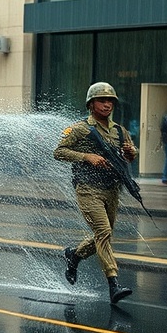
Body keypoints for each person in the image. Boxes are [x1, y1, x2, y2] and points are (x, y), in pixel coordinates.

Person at [55, 82, 138, 304]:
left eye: (110, 100)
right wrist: (86, 157)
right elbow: (59, 152)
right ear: (91, 104)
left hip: (112, 190)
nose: (107, 104)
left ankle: (74, 255)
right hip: (88, 189)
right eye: (102, 100)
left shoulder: (120, 131)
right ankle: (114, 285)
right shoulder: (80, 129)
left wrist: (131, 153)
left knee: (105, 234)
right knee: (103, 232)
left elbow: (129, 154)